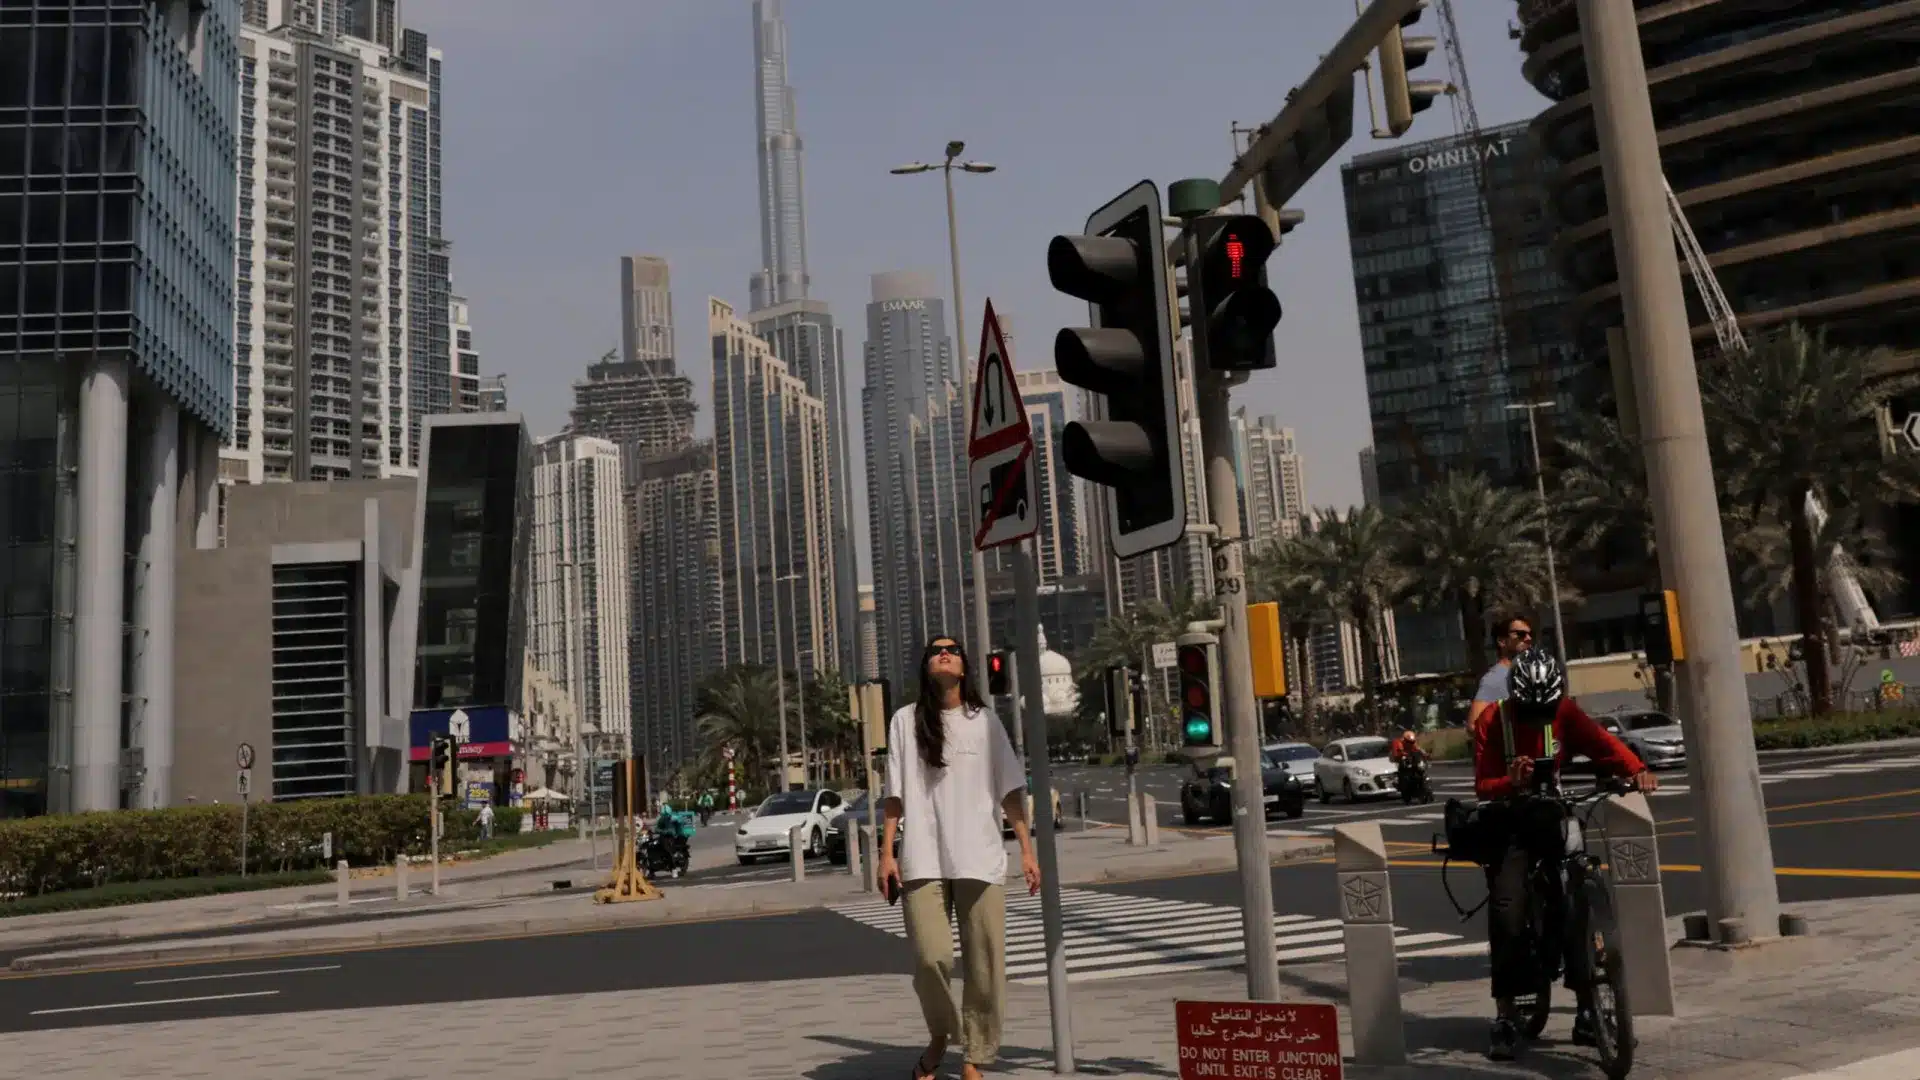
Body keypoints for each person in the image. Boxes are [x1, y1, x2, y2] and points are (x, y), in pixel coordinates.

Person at [1472, 648, 1657, 1062]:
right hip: (1512, 825)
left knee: (1576, 892)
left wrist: (1635, 770)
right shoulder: (1492, 720)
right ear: (1516, 699)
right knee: (1506, 909)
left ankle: (1587, 1008)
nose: (1541, 716)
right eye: (1531, 710)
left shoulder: (1566, 712)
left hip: (1554, 816)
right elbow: (1483, 785)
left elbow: (1603, 745)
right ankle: (1505, 1012)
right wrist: (1510, 780)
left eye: (1547, 708)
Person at [877, 635, 1042, 1080]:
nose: (943, 652)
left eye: (951, 649)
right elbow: (893, 793)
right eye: (935, 650)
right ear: (927, 666)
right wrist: (886, 853)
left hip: (980, 857)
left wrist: (1026, 850)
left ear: (966, 668)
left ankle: (973, 1057)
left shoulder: (985, 722)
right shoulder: (904, 721)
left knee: (986, 965)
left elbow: (1009, 790)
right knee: (931, 957)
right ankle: (940, 1033)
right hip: (922, 858)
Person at [1469, 614, 1536, 729]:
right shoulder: (1494, 679)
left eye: (1530, 634)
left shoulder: (1534, 673)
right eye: (1521, 634)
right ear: (1502, 641)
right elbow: (1473, 726)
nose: (1528, 639)